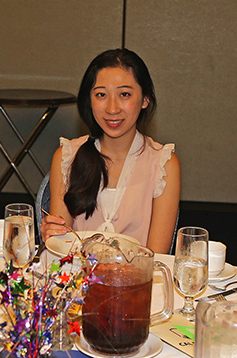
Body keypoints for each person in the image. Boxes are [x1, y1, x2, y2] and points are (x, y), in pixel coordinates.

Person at [40, 48, 180, 253]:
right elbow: (62, 248)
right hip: (80, 279)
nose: (112, 108)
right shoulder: (67, 157)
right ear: (90, 100)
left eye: (124, 94)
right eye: (101, 95)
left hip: (136, 281)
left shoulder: (163, 164)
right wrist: (52, 235)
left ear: (145, 99)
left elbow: (156, 258)